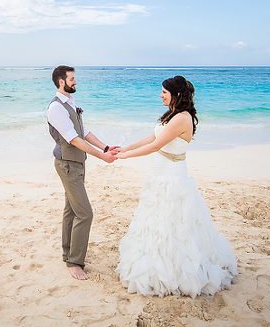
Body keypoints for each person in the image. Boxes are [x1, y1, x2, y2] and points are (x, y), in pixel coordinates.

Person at [115, 76, 238, 297]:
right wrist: (123, 148)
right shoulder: (171, 115)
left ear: (177, 94)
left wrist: (125, 157)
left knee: (173, 224)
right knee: (156, 222)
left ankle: (176, 271)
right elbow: (151, 137)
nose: (160, 95)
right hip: (160, 174)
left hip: (172, 178)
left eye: (164, 92)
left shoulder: (182, 118)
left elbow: (155, 146)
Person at [47, 65, 119, 280]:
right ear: (61, 82)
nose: (75, 82)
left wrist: (106, 147)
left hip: (78, 163)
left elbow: (84, 132)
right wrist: (102, 156)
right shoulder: (56, 108)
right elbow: (74, 139)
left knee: (71, 209)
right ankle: (74, 262)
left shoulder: (71, 104)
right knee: (85, 213)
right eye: (72, 79)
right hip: (67, 164)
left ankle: (70, 253)